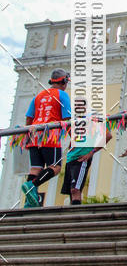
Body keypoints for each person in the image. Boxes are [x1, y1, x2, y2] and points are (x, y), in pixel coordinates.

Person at [21, 69, 71, 208]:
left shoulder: (39, 96)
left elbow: (29, 117)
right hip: (50, 136)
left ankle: (28, 203)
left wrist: (28, 136)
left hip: (34, 135)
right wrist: (74, 137)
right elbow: (67, 119)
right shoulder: (62, 95)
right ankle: (32, 185)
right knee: (55, 168)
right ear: (64, 81)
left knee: (35, 170)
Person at [61, 125, 113, 204]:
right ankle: (73, 212)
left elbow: (108, 135)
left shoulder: (96, 119)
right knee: (71, 192)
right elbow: (71, 131)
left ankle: (76, 215)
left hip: (82, 158)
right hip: (70, 158)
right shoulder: (77, 118)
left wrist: (92, 152)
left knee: (75, 189)